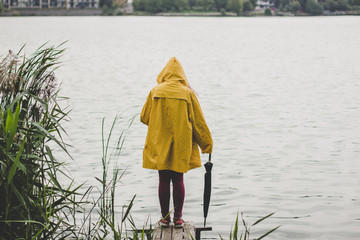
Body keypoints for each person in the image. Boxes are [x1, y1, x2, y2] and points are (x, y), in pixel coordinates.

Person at [140, 57, 213, 228]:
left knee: (163, 179)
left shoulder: (155, 91)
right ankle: (178, 219)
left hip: (160, 141)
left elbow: (144, 117)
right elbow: (198, 123)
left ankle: (165, 219)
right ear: (181, 75)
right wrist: (207, 144)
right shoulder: (187, 93)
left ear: (164, 73)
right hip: (181, 142)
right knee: (178, 178)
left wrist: (160, 120)